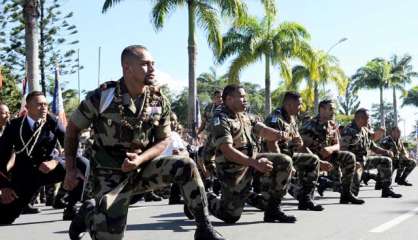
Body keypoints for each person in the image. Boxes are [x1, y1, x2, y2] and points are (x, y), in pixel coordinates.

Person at [64, 45, 225, 240]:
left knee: (185, 165)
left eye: (153, 64)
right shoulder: (102, 97)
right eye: (145, 64)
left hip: (143, 167)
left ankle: (203, 227)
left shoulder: (157, 100)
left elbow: (164, 139)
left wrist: (140, 159)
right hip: (108, 173)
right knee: (110, 236)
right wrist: (71, 169)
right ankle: (88, 213)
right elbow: (72, 129)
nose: (152, 69)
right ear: (127, 67)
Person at [206, 84, 296, 224]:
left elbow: (264, 130)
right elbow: (227, 150)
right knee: (231, 216)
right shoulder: (220, 118)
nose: (245, 100)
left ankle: (273, 210)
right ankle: (201, 199)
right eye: (241, 97)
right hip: (232, 168)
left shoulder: (246, 116)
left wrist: (282, 134)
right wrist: (255, 163)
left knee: (284, 161)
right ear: (229, 99)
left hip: (252, 161)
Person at [0, 91, 83, 224]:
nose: (44, 107)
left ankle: (71, 206)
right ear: (27, 107)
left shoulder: (53, 123)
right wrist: (4, 187)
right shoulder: (14, 126)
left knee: (82, 164)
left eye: (45, 104)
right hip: (25, 177)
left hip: (49, 170)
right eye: (39, 104)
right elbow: (1, 157)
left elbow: (73, 148)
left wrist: (56, 161)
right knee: (4, 217)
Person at [264, 92, 329, 211]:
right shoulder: (275, 119)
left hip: (288, 155)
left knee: (313, 160)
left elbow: (301, 145)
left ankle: (306, 200)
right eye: (298, 104)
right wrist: (286, 163)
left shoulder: (292, 118)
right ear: (288, 105)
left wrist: (320, 161)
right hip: (272, 156)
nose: (301, 106)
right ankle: (274, 208)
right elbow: (271, 144)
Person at [300, 100, 364, 204]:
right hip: (309, 157)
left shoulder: (332, 125)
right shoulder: (309, 125)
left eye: (333, 109)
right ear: (321, 110)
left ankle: (346, 194)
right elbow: (301, 146)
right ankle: (306, 198)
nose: (333, 112)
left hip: (327, 155)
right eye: (331, 109)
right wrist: (318, 161)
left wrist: (330, 149)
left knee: (349, 157)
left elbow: (338, 144)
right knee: (302, 190)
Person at [340, 108, 402, 198]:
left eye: (368, 118)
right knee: (353, 192)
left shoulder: (365, 130)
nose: (368, 120)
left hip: (364, 160)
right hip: (353, 163)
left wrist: (386, 152)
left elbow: (373, 147)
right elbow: (343, 149)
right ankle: (345, 193)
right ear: (359, 118)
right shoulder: (349, 130)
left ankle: (386, 190)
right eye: (366, 118)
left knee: (386, 160)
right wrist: (352, 163)